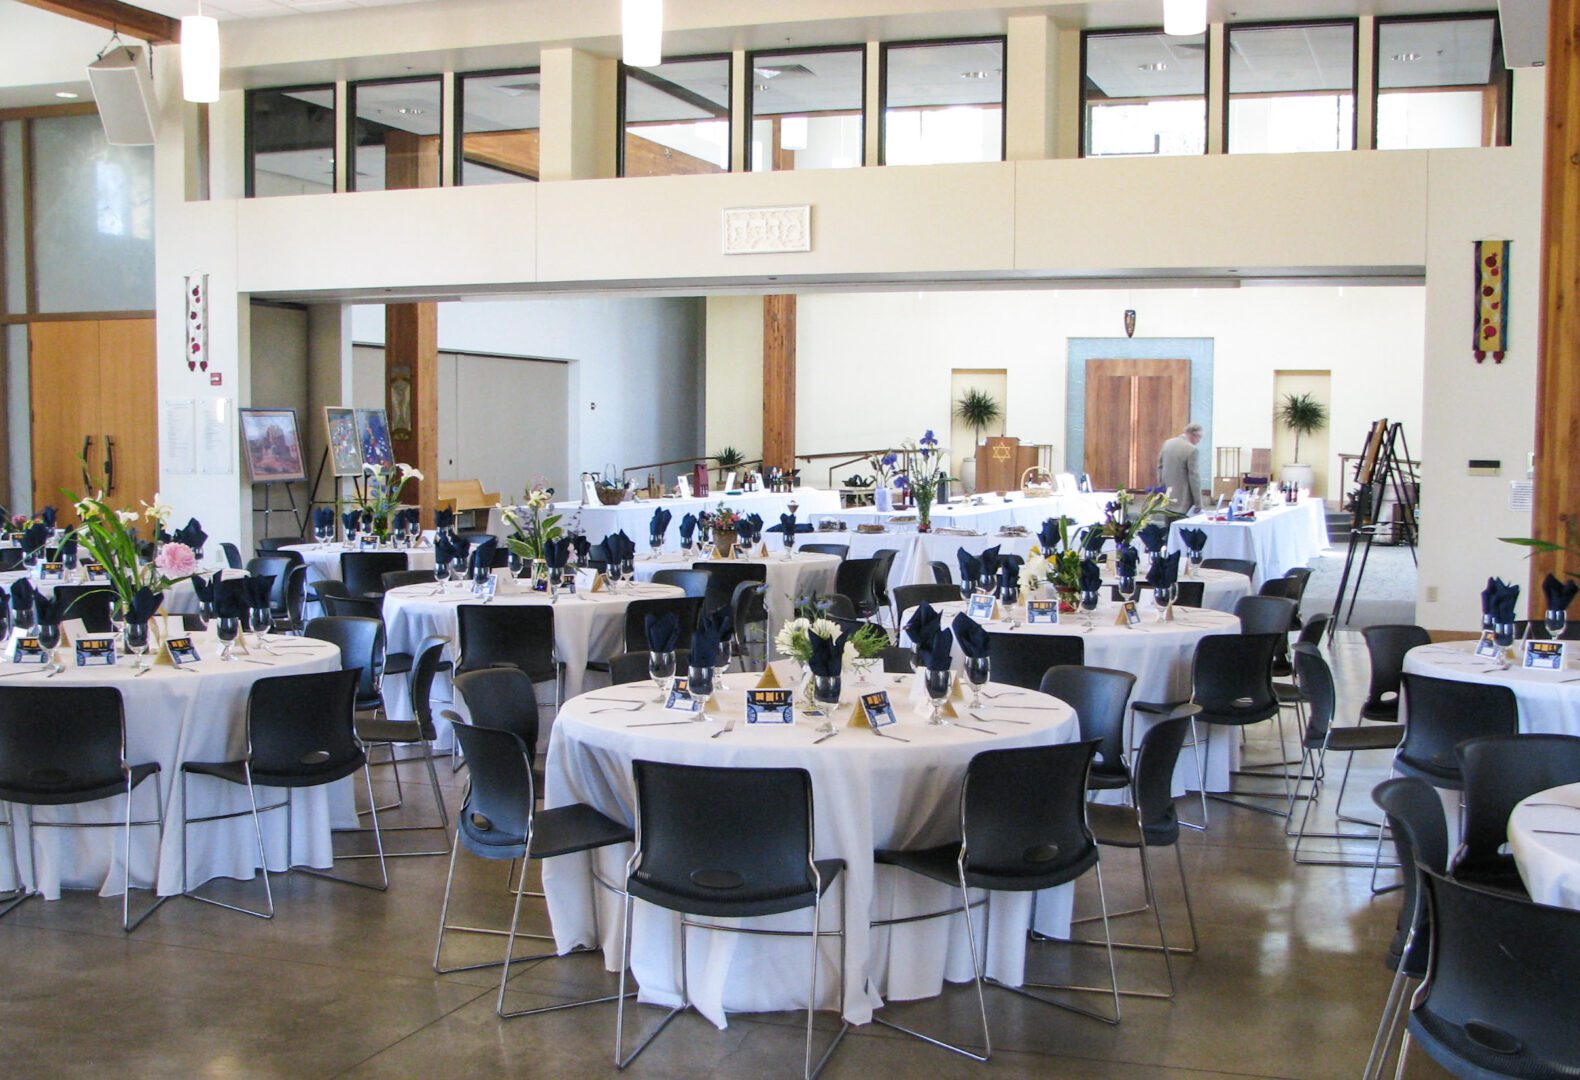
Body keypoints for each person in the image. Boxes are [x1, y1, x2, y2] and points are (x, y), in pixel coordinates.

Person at [1158, 423, 1204, 515]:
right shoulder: (1192, 450)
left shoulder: (1167, 443)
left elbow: (1160, 468)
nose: (1199, 441)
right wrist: (1198, 502)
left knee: (1169, 527)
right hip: (1183, 501)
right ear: (1193, 435)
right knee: (1182, 527)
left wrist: (1162, 488)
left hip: (1167, 497)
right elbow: (1194, 477)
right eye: (1199, 437)